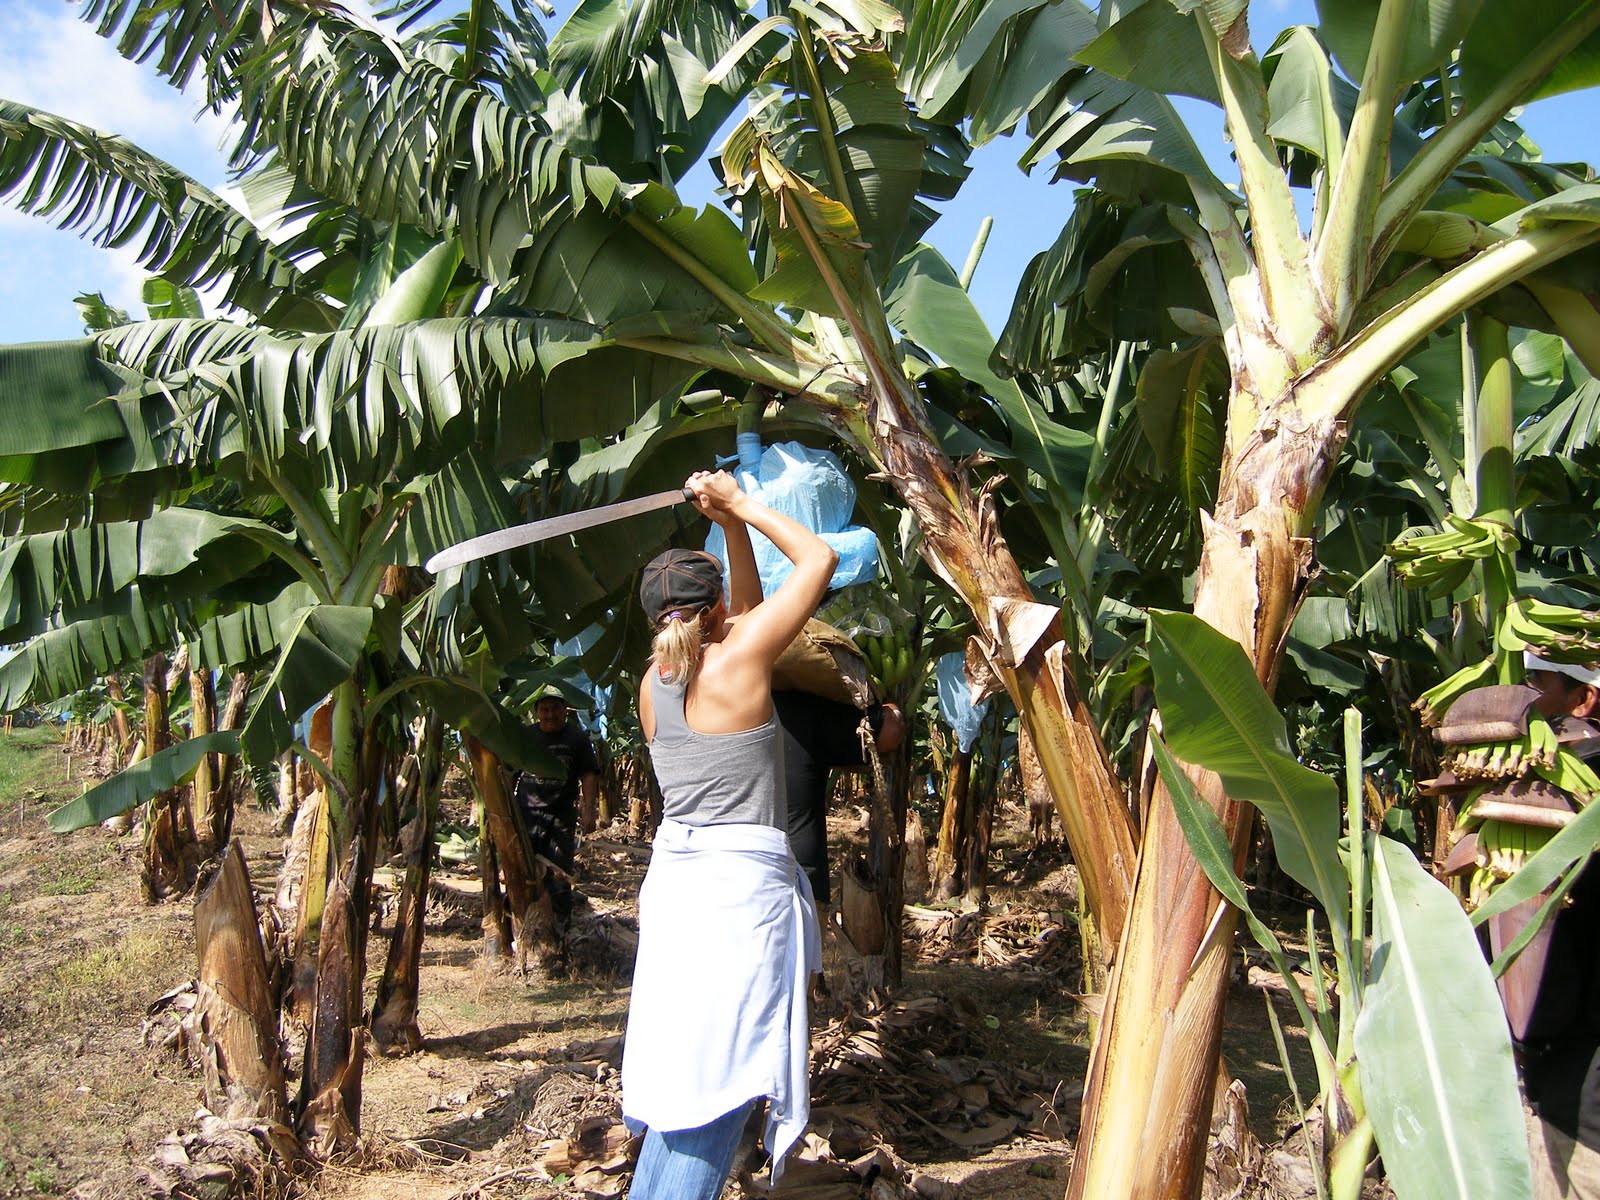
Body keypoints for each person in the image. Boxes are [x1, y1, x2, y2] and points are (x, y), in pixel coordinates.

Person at [621, 469, 837, 1200]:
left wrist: (731, 529)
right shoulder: (739, 659)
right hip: (736, 902)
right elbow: (817, 560)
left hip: (678, 891)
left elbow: (742, 612)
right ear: (713, 612)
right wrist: (742, 502)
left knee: (683, 1079)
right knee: (721, 1087)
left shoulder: (655, 683)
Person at [1520, 653, 1600, 1199]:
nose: (1523, 697)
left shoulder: (1567, 803)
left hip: (1578, 1107)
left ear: (1583, 699)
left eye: (1536, 681)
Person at [774, 689, 903, 909]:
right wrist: (890, 703)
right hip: (798, 890)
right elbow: (891, 731)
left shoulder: (714, 708)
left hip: (723, 880)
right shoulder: (804, 707)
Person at [512, 686, 600, 942]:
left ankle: (559, 931)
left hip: (560, 816)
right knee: (524, 873)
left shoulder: (576, 739)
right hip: (527, 815)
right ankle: (523, 929)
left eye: (555, 709)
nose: (550, 715)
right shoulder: (526, 737)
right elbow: (510, 772)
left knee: (559, 874)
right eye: (545, 709)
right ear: (537, 712)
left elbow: (588, 775)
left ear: (564, 710)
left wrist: (588, 810)